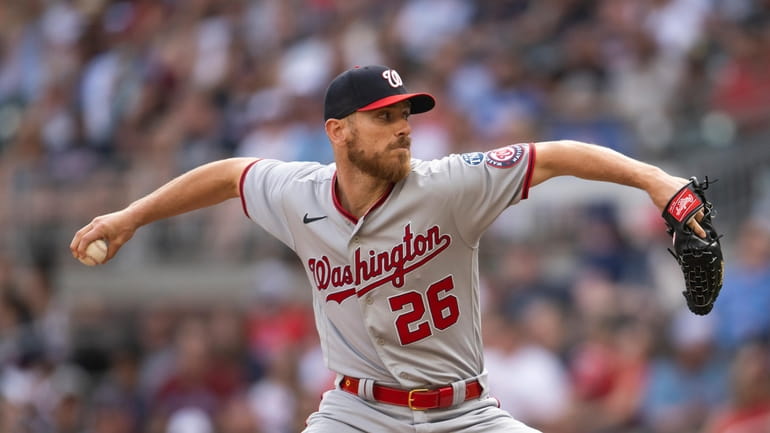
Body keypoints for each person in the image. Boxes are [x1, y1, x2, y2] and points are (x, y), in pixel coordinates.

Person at [71, 65, 706, 432]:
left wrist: (657, 180)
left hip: (465, 413)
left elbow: (561, 156)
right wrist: (131, 215)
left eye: (406, 114)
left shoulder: (450, 185)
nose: (403, 127)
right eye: (384, 117)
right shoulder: (298, 193)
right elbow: (227, 174)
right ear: (338, 132)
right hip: (356, 413)